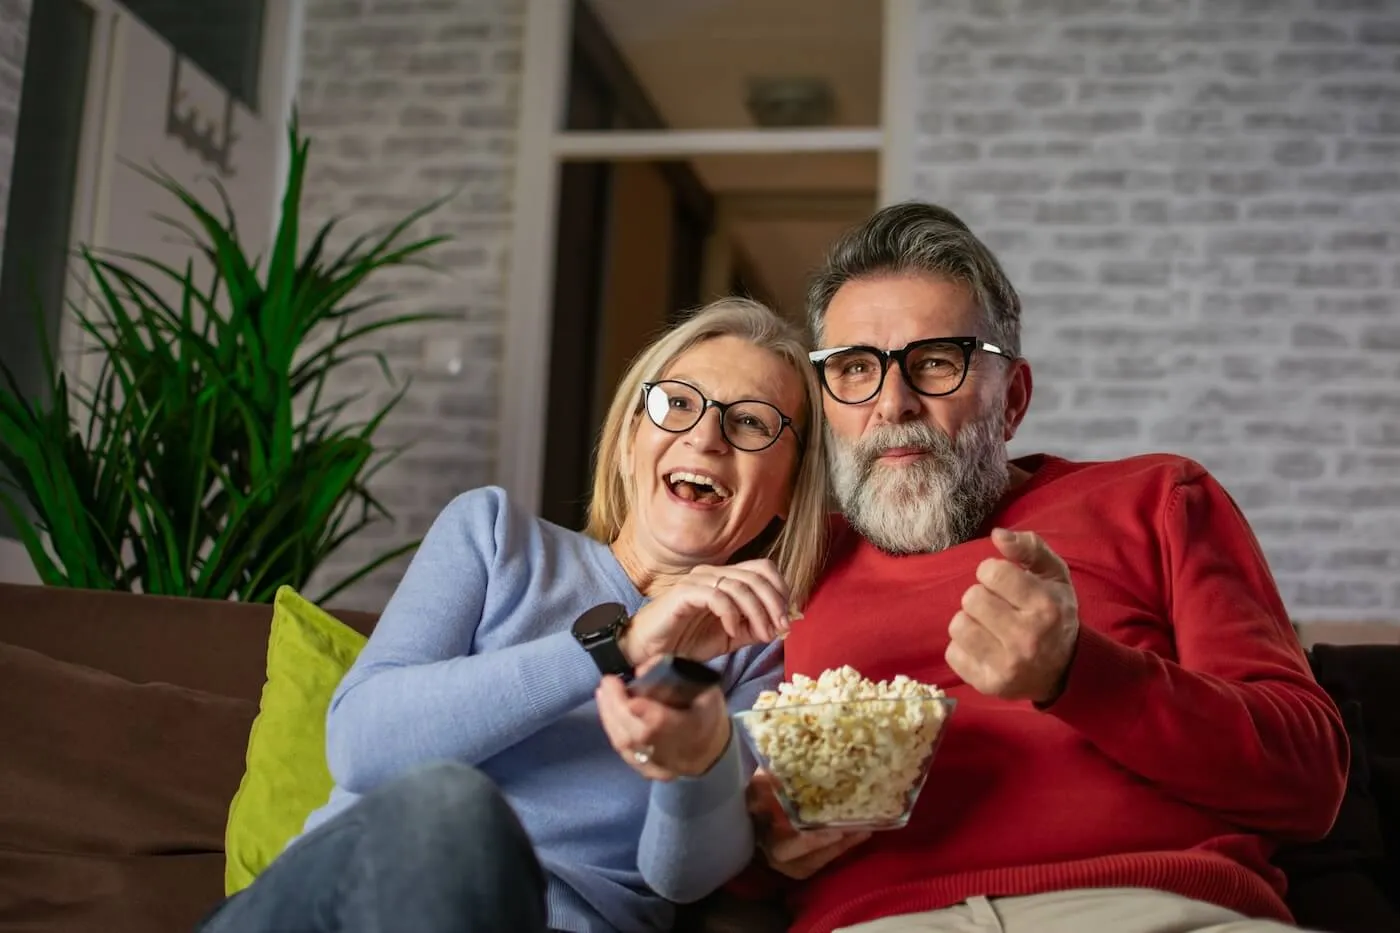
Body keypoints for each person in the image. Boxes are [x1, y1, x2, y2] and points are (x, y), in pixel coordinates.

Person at [737, 202, 1349, 933]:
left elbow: (1311, 783)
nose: (891, 404)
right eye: (855, 369)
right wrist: (756, 841)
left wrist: (1078, 673)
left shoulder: (1157, 499)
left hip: (1153, 909)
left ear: (1013, 397)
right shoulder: (790, 561)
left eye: (936, 361)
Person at [196, 297, 829, 933]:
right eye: (679, 402)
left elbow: (683, 878)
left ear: (787, 488)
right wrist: (620, 646)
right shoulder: (494, 536)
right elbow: (362, 745)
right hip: (352, 907)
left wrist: (697, 759)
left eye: (750, 424)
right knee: (455, 805)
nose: (705, 436)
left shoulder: (758, 648)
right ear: (631, 439)